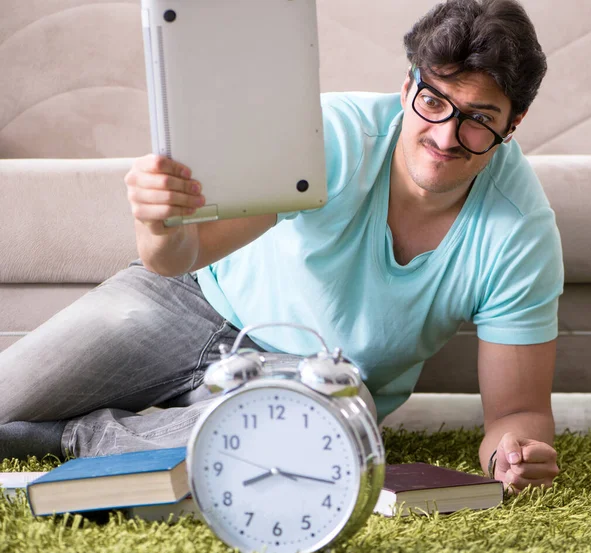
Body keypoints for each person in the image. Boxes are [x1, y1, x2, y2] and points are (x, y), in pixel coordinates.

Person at [0, 0, 561, 493]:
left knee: (340, 426)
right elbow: (178, 257)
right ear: (408, 85)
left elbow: (517, 412)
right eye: (434, 101)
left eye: (479, 120)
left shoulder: (519, 233)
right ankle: (166, 429)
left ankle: (75, 435)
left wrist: (513, 457)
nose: (444, 136)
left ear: (514, 125)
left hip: (309, 379)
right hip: (186, 299)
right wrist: (158, 222)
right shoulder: (331, 135)